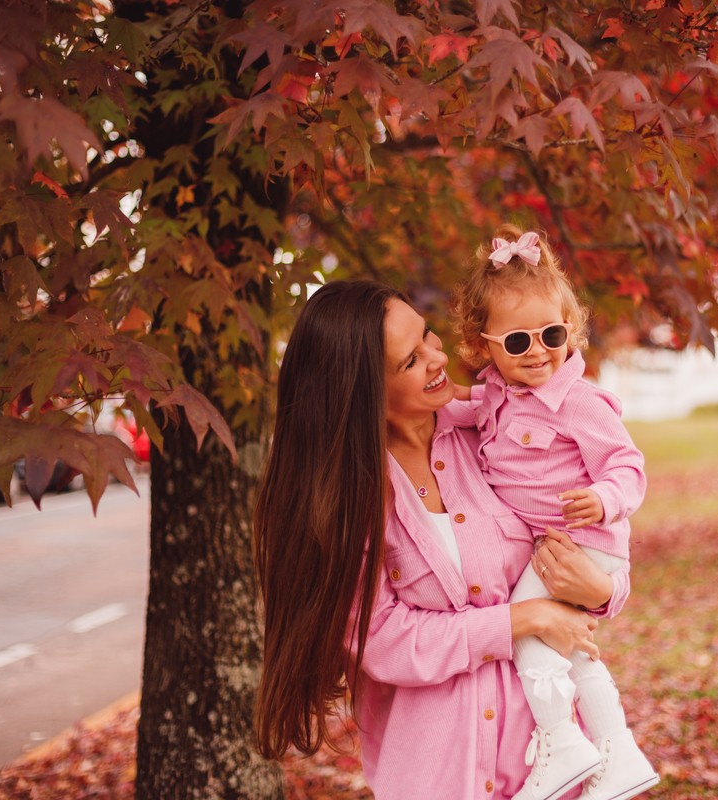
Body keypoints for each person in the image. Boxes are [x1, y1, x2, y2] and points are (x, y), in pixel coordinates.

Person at [251, 280, 632, 800]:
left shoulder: (496, 430)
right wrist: (519, 620)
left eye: (428, 336)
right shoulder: (348, 495)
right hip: (437, 777)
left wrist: (603, 592)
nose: (437, 358)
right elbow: (381, 639)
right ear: (363, 391)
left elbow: (590, 536)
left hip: (546, 770)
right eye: (410, 361)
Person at [451, 226, 659, 800]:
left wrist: (606, 498)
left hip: (581, 540)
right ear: (482, 343)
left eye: (551, 333)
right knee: (568, 644)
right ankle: (618, 751)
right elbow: (458, 414)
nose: (538, 350)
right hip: (557, 547)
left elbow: (629, 464)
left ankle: (561, 738)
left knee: (529, 632)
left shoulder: (578, 401)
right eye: (517, 342)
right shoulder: (495, 392)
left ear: (571, 327)